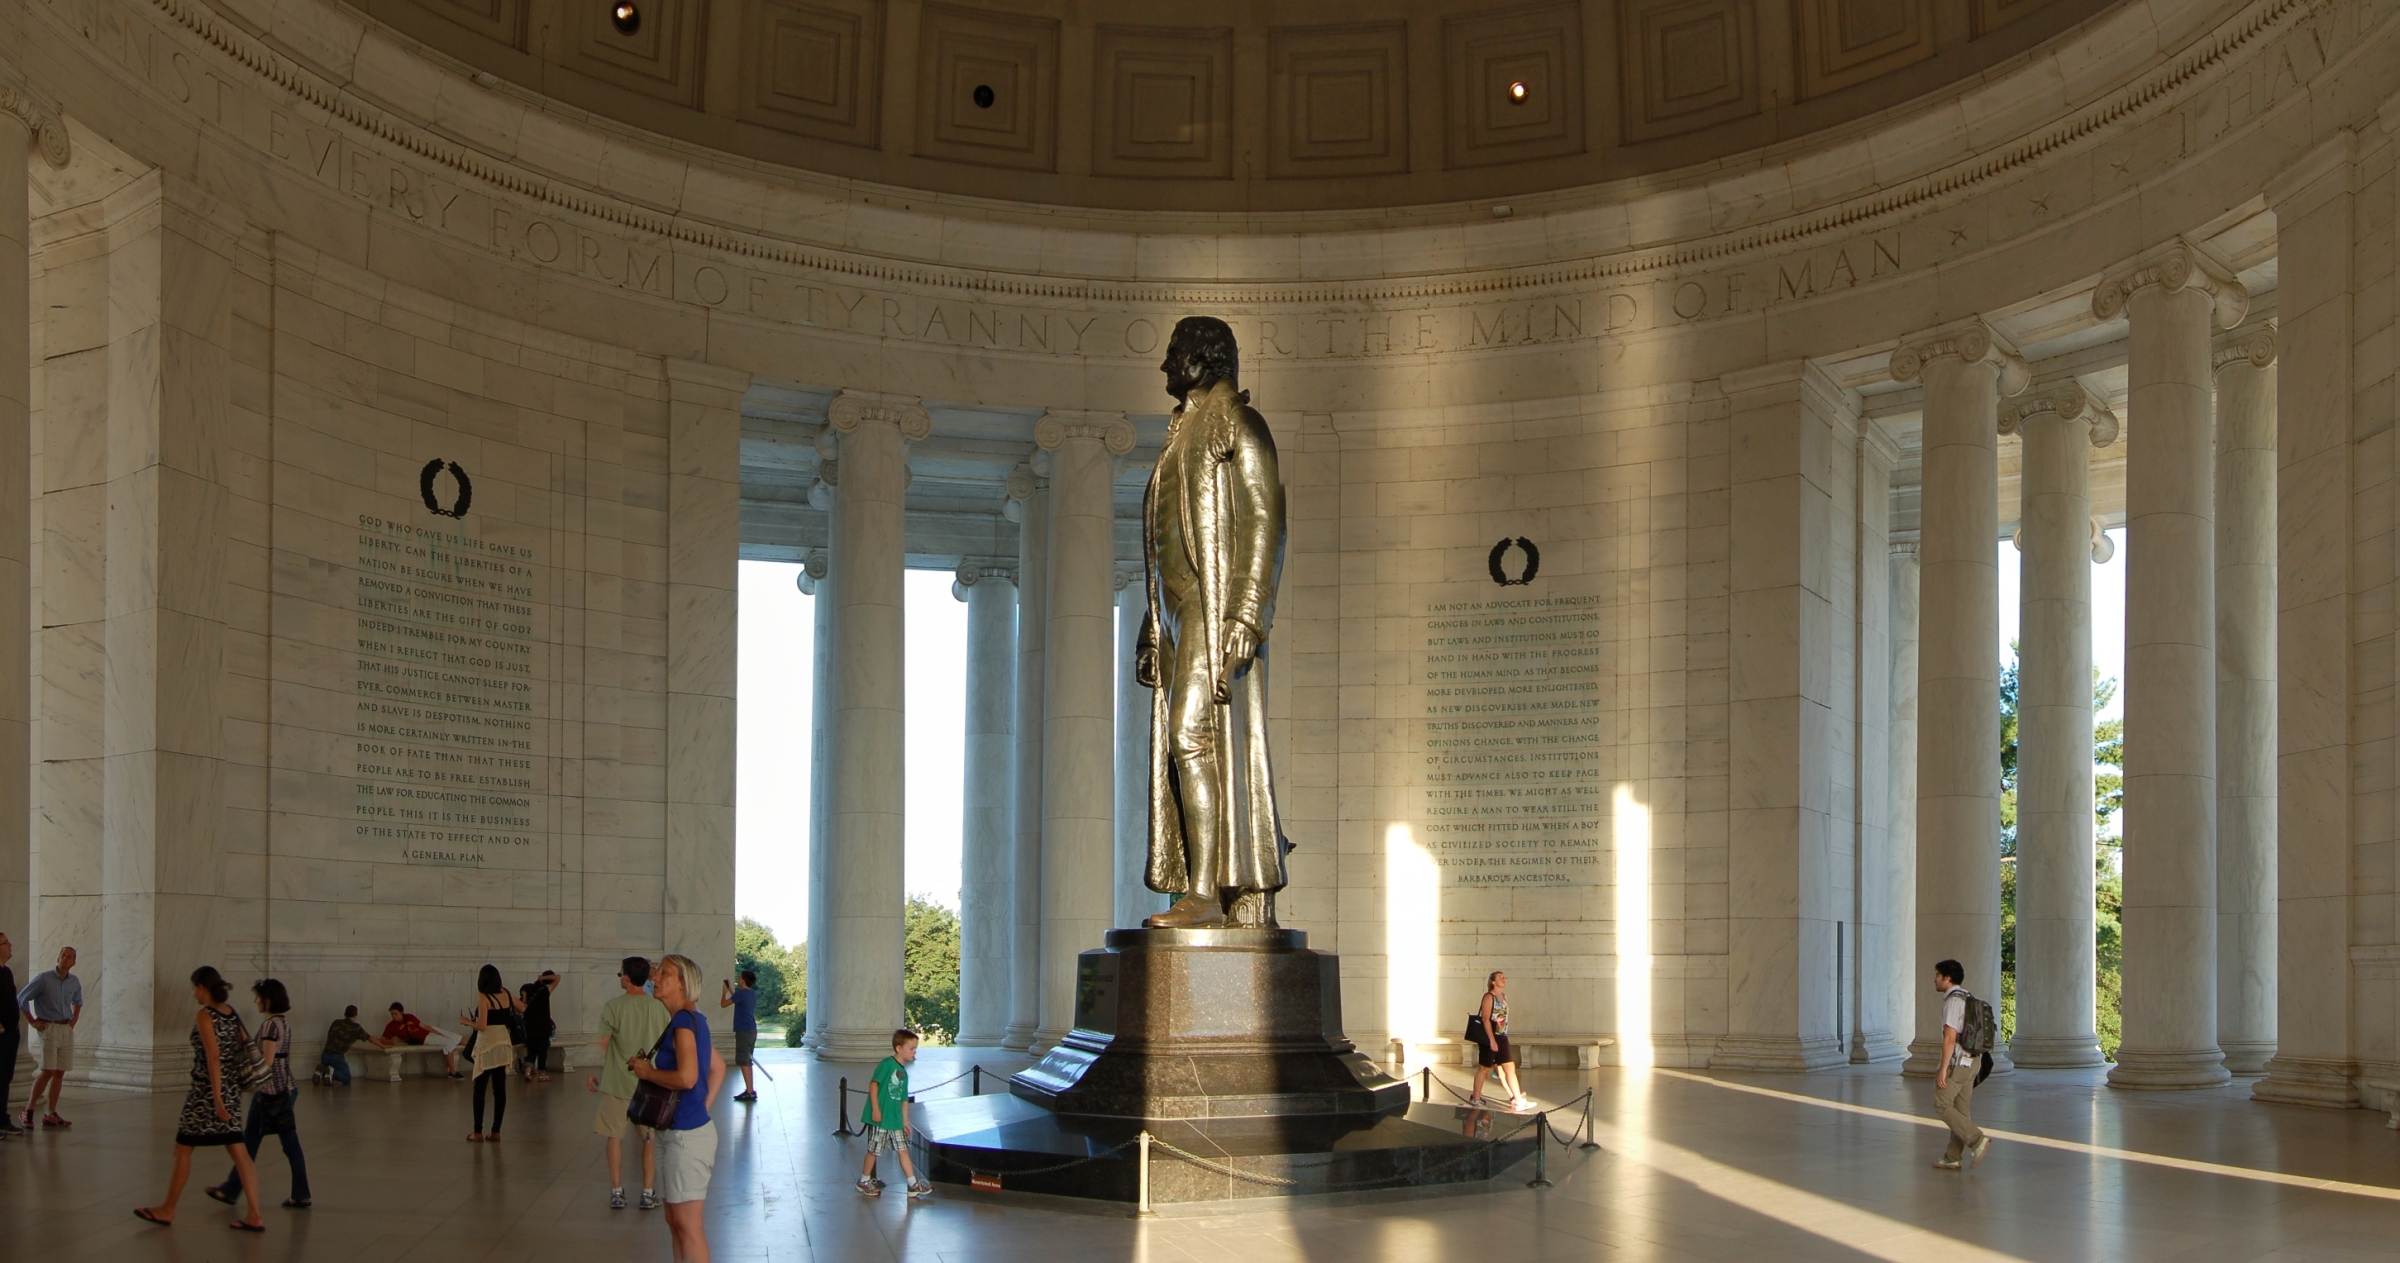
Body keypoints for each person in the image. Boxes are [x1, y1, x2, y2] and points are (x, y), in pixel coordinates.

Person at [133, 966, 265, 1232]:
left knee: (184, 1147)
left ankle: (167, 1209)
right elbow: (243, 1044)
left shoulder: (206, 1016)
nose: (194, 993)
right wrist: (225, 1095)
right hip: (231, 1090)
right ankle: (254, 1214)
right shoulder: (231, 1013)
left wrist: (215, 1098)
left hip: (206, 1093)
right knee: (239, 1152)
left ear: (203, 988)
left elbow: (212, 1057)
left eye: (196, 988)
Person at [629, 954, 726, 1262]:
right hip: (680, 1132)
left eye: (664, 973)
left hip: (687, 1138)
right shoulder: (691, 1019)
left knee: (688, 1225)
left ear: (683, 984)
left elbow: (687, 1077)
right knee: (675, 1221)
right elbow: (719, 1067)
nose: (655, 977)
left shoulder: (685, 1021)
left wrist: (648, 1073)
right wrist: (700, 1108)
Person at [207, 979, 311, 1209]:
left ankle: (231, 1190)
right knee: (283, 1142)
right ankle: (300, 1193)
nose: (255, 1001)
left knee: (252, 1141)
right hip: (285, 1088)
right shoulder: (282, 1023)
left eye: (258, 997)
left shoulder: (270, 1026)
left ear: (268, 999)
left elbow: (268, 1061)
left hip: (272, 1092)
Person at [590, 956, 670, 1210]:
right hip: (648, 1086)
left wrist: (595, 1074)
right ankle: (647, 1192)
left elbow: (603, 1046)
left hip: (616, 1085)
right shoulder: (660, 1008)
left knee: (614, 1138)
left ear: (626, 977)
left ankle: (616, 1190)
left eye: (620, 973)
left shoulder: (612, 1007)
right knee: (648, 1139)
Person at [1930, 959, 1992, 1171]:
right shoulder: (1967, 997)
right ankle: (1952, 1157)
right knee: (1961, 1109)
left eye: (1937, 975)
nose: (1935, 979)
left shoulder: (1952, 1002)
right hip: (1973, 1061)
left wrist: (1942, 1069)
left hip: (1957, 1063)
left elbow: (1949, 1038)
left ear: (1947, 978)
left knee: (1941, 1103)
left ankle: (1976, 1140)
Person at [855, 1028, 929, 1199]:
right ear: (899, 1048)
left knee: (903, 1150)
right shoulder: (887, 1065)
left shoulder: (904, 1073)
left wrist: (905, 1121)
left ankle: (912, 1184)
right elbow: (874, 1085)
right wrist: (875, 1108)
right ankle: (864, 1181)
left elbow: (903, 1099)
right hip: (881, 1118)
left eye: (915, 1048)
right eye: (911, 1048)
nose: (914, 1052)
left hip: (895, 1119)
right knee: (874, 1151)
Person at [16, 944, 83, 1129]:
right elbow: (22, 998)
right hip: (49, 1027)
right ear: (58, 958)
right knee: (48, 1070)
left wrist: (75, 1017)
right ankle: (28, 1109)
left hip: (65, 1027)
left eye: (69, 957)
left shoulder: (74, 981)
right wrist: (32, 1020)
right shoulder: (44, 979)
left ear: (74, 962)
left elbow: (78, 999)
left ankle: (50, 1112)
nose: (65, 959)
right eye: (63, 955)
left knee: (60, 1071)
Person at [466, 964, 518, 1141]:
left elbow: (482, 1025)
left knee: (479, 1089)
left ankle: (478, 1132)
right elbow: (523, 1007)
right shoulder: (506, 994)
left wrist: (467, 1022)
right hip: (504, 1044)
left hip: (487, 1045)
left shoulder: (483, 997)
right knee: (499, 1089)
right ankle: (496, 1131)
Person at [1468, 969, 1529, 1111]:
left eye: (1504, 977)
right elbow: (1485, 1019)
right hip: (1491, 1037)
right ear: (1493, 982)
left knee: (1510, 1068)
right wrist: (1492, 1040)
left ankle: (1518, 1099)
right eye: (1500, 977)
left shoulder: (1503, 996)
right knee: (1484, 1068)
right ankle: (1476, 1098)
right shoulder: (1489, 997)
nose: (1504, 979)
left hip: (1502, 1037)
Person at [383, 1002, 464, 1077]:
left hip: (428, 1032)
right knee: (449, 1042)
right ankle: (453, 1071)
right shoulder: (391, 1026)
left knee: (454, 1036)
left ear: (401, 1012)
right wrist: (390, 1041)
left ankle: (473, 1045)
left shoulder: (409, 1017)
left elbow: (424, 1026)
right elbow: (383, 1039)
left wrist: (438, 1033)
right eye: (392, 1014)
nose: (394, 1016)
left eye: (396, 1014)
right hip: (424, 1038)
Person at [315, 1005, 387, 1085]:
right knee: (346, 1078)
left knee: (327, 1072)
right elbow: (370, 1038)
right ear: (356, 1015)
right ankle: (331, 1072)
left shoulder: (336, 1022)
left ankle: (322, 1071)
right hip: (337, 1056)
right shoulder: (356, 1028)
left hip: (325, 1054)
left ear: (344, 1014)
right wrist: (382, 1046)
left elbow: (329, 1038)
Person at [720, 971, 759, 1102]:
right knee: (748, 1059)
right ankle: (750, 1089)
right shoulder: (751, 994)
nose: (738, 978)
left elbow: (724, 1004)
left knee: (744, 1060)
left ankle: (749, 1091)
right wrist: (731, 989)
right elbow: (737, 999)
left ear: (743, 980)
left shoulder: (741, 994)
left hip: (743, 1030)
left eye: (740, 977)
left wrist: (724, 992)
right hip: (752, 1030)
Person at [520, 970, 559, 1081]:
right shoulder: (545, 991)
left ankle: (528, 1072)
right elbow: (558, 977)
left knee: (532, 1050)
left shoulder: (529, 988)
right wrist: (543, 978)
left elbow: (524, 1004)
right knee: (542, 1051)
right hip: (543, 1026)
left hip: (530, 1026)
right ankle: (541, 1075)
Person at [0, 931, 20, 1137]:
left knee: (5, 1078)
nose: (10, 945)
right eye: (6, 943)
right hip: (1, 1033)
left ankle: (2, 1119)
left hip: (11, 1033)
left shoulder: (7, 972)